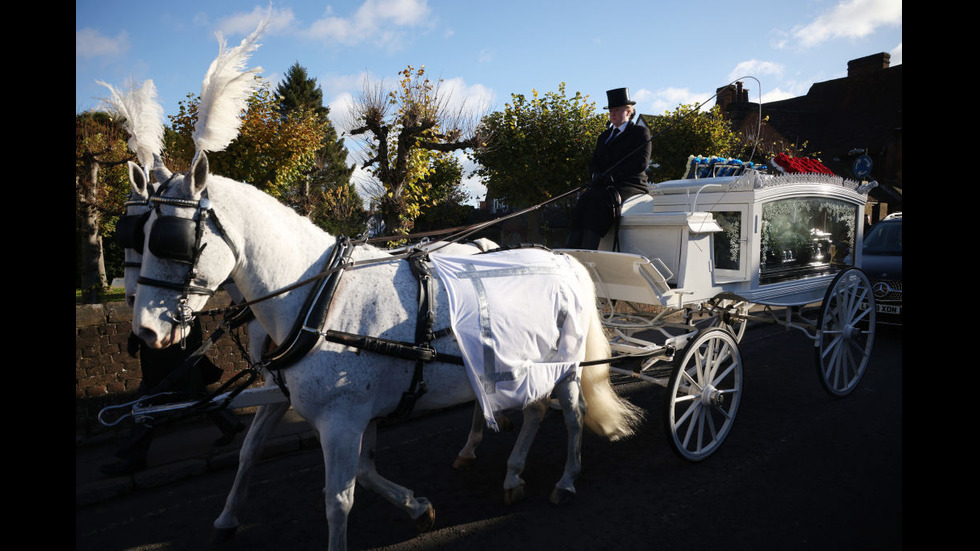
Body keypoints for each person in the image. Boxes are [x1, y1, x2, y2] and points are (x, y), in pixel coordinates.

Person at [100, 319, 245, 476]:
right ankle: (230, 424)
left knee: (147, 403)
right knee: (196, 394)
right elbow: (145, 313)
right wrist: (135, 337)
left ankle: (135, 458)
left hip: (170, 352)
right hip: (164, 352)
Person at [566, 87, 652, 250]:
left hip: (630, 184)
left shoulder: (640, 133)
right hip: (604, 185)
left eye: (617, 110)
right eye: (611, 111)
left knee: (601, 200)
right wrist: (595, 175)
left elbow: (640, 163)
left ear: (628, 112)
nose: (612, 114)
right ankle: (572, 247)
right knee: (584, 199)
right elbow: (594, 162)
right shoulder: (604, 137)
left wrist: (613, 176)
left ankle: (589, 248)